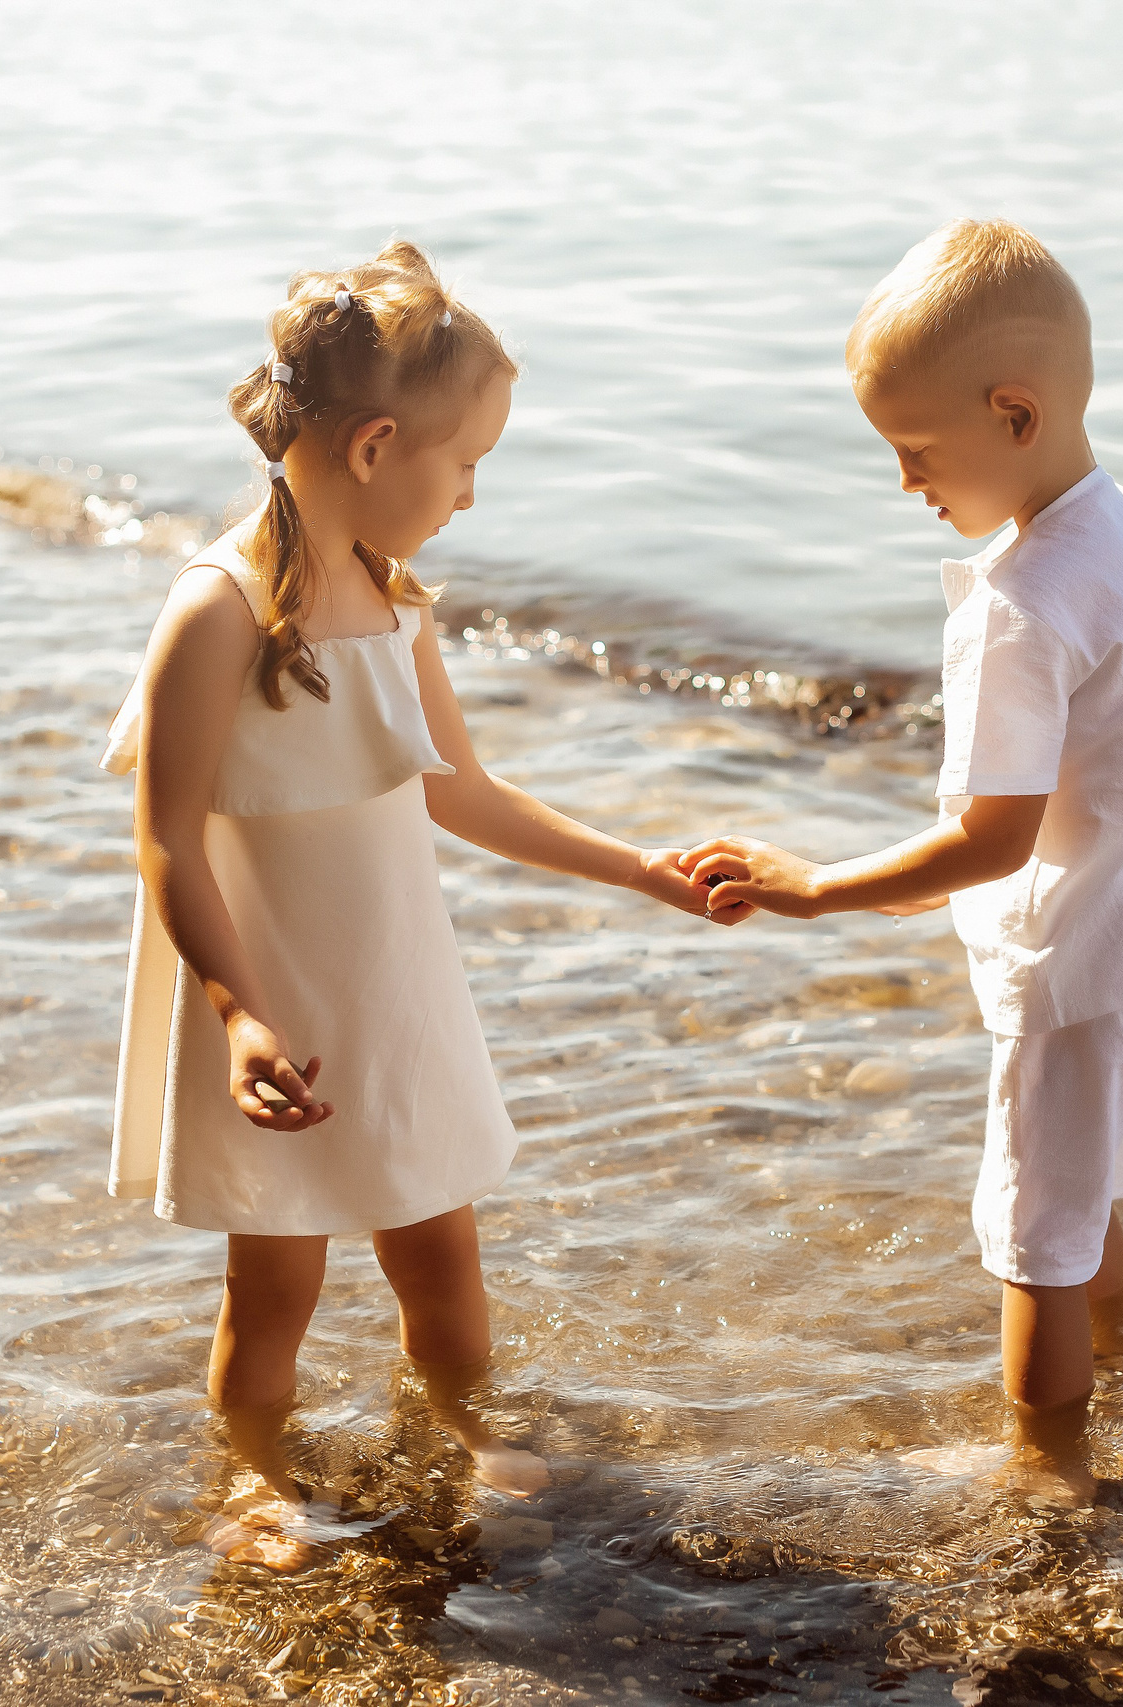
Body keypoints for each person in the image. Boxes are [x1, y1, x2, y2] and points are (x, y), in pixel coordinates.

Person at [102, 241, 705, 1540]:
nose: (473, 495)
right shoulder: (215, 612)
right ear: (377, 446)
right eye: (467, 462)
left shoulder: (393, 597)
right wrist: (238, 1014)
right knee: (278, 1277)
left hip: (397, 990)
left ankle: (466, 1421)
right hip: (272, 1003)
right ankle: (254, 1469)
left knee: (441, 1247)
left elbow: (465, 792)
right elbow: (165, 841)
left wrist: (635, 862)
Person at [684, 219, 1123, 1483]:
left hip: (1089, 945)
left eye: (914, 451)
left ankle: (1042, 1478)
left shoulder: (1021, 600)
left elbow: (991, 840)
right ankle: (1113, 1368)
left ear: (1013, 413)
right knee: (1086, 1184)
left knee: (1032, 1231)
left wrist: (815, 888)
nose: (903, 483)